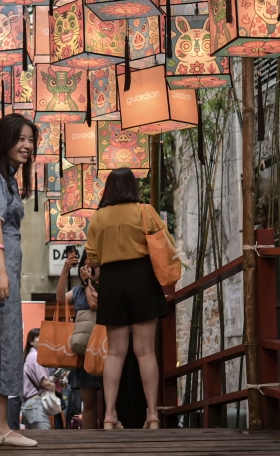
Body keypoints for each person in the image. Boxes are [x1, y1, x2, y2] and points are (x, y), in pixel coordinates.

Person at [85, 168, 173, 430]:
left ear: (108, 189)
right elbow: (164, 243)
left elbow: (93, 257)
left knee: (115, 352)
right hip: (142, 279)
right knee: (145, 352)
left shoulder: (98, 218)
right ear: (133, 186)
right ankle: (153, 415)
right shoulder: (145, 211)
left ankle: (110, 416)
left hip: (112, 282)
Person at [0, 113, 40, 448]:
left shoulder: (8, 178)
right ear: (5, 139)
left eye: (31, 140)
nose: (27, 146)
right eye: (21, 139)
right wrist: (0, 270)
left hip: (6, 270)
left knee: (5, 347)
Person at [56, 249, 102, 429]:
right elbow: (60, 299)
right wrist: (65, 270)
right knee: (89, 402)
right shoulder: (77, 290)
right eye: (85, 263)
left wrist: (88, 282)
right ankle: (91, 440)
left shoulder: (104, 287)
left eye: (92, 263)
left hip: (104, 347)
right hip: (84, 349)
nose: (88, 266)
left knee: (107, 400)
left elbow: (93, 304)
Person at [21, 328, 56, 430]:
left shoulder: (28, 356)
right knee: (45, 439)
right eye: (38, 336)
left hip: (28, 405)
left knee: (34, 440)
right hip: (36, 404)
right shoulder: (36, 357)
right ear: (31, 341)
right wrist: (53, 385)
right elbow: (44, 383)